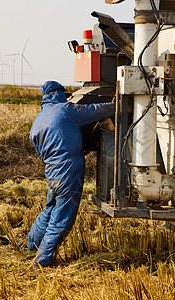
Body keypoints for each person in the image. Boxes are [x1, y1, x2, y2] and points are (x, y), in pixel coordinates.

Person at [28, 80, 115, 267]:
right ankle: (43, 260)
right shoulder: (66, 110)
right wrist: (120, 103)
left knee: (50, 208)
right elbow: (95, 111)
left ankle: (32, 245)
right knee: (63, 216)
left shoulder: (39, 119)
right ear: (59, 94)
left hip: (51, 169)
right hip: (69, 168)